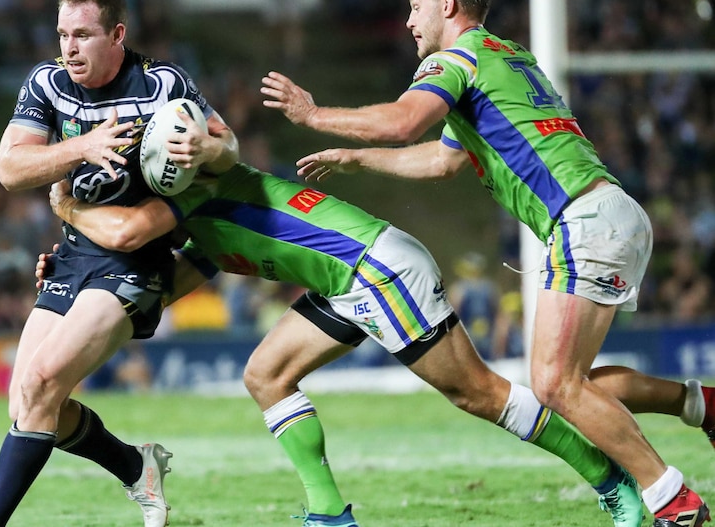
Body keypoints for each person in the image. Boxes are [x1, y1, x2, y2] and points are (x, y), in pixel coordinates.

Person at [259, 0, 712, 527]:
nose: (408, 21)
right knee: (572, 384)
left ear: (447, 6)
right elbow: (443, 159)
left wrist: (314, 114)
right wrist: (357, 158)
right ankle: (701, 404)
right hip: (610, 212)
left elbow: (405, 122)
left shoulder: (457, 58)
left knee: (553, 383)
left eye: (416, 7)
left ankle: (670, 499)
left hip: (582, 219)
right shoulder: (505, 56)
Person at [45, 161, 643, 527]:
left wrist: (70, 211)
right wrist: (88, 289)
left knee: (478, 394)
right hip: (345, 280)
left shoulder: (193, 190)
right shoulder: (201, 223)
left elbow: (127, 233)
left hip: (373, 270)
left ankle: (613, 482)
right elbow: (168, 282)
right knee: (267, 374)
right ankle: (329, 513)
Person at [0, 0, 238, 527]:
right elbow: (10, 168)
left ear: (117, 34)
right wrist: (83, 146)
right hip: (74, 255)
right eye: (63, 34)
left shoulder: (162, 84)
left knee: (42, 385)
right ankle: (138, 468)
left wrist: (207, 145)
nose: (69, 47)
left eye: (83, 35)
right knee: (28, 406)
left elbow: (228, 147)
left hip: (135, 263)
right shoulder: (46, 84)